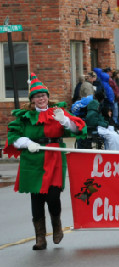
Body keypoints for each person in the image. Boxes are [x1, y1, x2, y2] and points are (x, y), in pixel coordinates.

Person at [5, 73, 86, 250]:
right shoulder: (26, 117)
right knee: (37, 198)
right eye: (37, 96)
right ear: (32, 99)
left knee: (53, 196)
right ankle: (40, 238)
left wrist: (64, 121)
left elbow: (78, 129)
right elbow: (13, 136)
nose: (41, 99)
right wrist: (27, 143)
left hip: (54, 157)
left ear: (48, 97)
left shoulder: (58, 112)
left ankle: (56, 225)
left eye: (43, 95)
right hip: (32, 158)